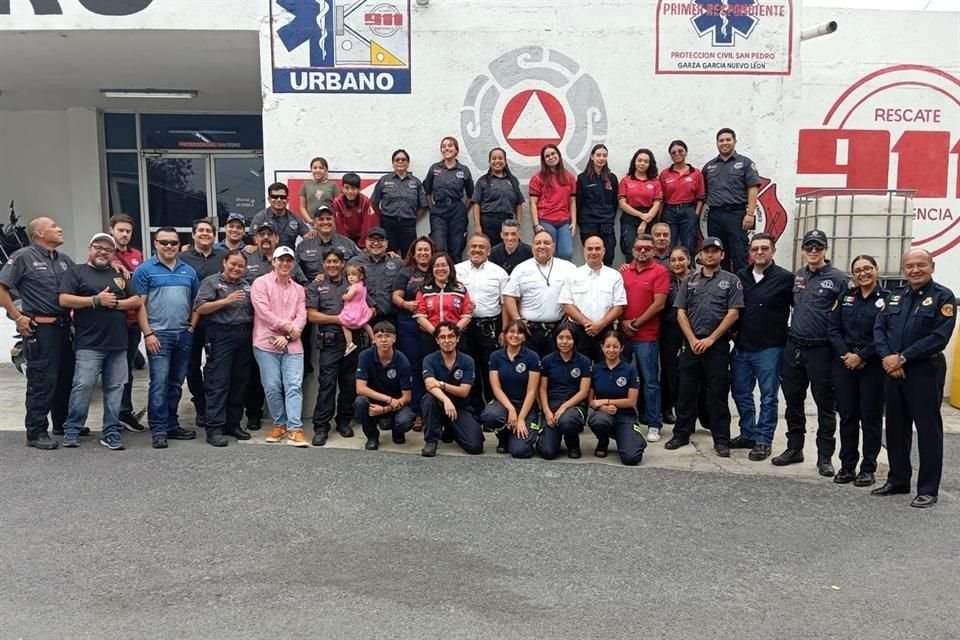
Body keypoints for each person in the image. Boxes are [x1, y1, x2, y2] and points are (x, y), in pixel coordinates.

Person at [873, 249, 956, 508]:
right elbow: (880, 328)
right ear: (903, 268)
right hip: (892, 369)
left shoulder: (943, 297)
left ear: (931, 266)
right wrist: (888, 358)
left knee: (928, 429)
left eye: (921, 265)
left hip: (924, 371)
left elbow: (938, 337)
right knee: (896, 428)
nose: (915, 270)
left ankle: (928, 488)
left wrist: (904, 357)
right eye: (910, 266)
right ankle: (898, 480)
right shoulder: (895, 295)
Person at [57, 233, 141, 449]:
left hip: (118, 343)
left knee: (115, 388)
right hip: (89, 343)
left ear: (113, 253)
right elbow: (64, 299)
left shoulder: (118, 274)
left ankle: (111, 431)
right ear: (90, 248)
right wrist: (96, 300)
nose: (103, 251)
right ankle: (73, 429)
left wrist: (115, 304)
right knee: (83, 386)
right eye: (98, 247)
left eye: (108, 249)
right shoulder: (76, 272)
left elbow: (136, 300)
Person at [0, 217, 76, 449]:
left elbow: (81, 280)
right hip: (40, 329)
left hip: (64, 327)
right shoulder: (23, 257)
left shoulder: (64, 260)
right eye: (54, 226)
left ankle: (61, 423)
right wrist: (17, 316)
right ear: (39, 233)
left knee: (66, 377)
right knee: (42, 379)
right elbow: (2, 287)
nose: (59, 228)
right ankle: (36, 431)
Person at [774, 229, 846, 476]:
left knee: (825, 404)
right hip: (795, 347)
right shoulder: (798, 276)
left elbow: (846, 314)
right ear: (803, 250)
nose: (813, 251)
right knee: (793, 402)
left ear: (825, 250)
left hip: (822, 350)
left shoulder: (838, 279)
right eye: (809, 247)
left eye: (818, 247)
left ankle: (825, 456)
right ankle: (795, 448)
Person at [665, 237, 743, 457]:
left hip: (717, 345)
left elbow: (734, 312)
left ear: (722, 255)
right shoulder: (690, 280)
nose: (710, 255)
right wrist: (691, 339)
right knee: (686, 392)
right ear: (700, 256)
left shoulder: (732, 280)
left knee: (717, 393)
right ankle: (681, 433)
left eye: (714, 252)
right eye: (706, 251)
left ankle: (721, 440)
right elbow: (680, 311)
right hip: (691, 344)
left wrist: (711, 339)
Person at [132, 227, 200, 449]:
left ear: (179, 245)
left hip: (183, 334)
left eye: (173, 242)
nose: (169, 246)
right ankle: (159, 429)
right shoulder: (145, 270)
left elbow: (196, 302)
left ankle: (171, 424)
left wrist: (191, 327)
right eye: (164, 242)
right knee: (159, 383)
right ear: (156, 244)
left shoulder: (188, 271)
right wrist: (148, 333)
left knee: (176, 383)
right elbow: (139, 305)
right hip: (158, 336)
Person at [731, 233, 794, 462]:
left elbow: (799, 308)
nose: (759, 252)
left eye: (764, 248)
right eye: (755, 248)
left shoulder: (786, 278)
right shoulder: (740, 277)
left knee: (768, 397)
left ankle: (763, 440)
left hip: (771, 348)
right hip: (742, 346)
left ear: (773, 251)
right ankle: (747, 433)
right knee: (740, 393)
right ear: (750, 252)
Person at [827, 255, 888, 485]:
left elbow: (886, 333)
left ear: (876, 270)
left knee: (870, 417)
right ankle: (847, 465)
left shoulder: (888, 299)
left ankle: (868, 468)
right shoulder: (846, 297)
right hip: (845, 363)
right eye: (858, 270)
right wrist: (847, 355)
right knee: (848, 416)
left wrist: (861, 356)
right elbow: (833, 328)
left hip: (872, 365)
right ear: (853, 275)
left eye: (868, 268)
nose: (863, 273)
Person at [306, 248, 370, 445]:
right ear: (323, 264)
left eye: (336, 261)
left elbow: (372, 307)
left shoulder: (354, 282)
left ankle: (344, 421)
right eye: (329, 261)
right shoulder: (316, 286)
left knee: (349, 383)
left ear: (343, 264)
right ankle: (321, 426)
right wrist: (340, 319)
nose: (332, 265)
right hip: (329, 341)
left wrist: (359, 319)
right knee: (327, 384)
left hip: (354, 341)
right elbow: (312, 315)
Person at [193, 250, 255, 447]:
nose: (236, 268)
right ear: (224, 263)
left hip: (243, 335)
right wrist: (225, 301)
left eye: (240, 266)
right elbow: (200, 308)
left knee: (239, 382)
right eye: (233, 264)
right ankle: (214, 428)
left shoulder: (246, 286)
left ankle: (233, 424)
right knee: (218, 382)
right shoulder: (212, 282)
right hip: (220, 336)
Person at [251, 245, 309, 448]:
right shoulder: (260, 284)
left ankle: (295, 429)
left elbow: (302, 316)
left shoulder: (299, 289)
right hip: (266, 344)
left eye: (288, 260)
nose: (284, 264)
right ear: (273, 261)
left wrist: (288, 335)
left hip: (292, 345)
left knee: (294, 386)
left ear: (293, 264)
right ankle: (280, 423)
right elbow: (263, 312)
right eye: (281, 260)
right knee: (272, 386)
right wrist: (288, 329)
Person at [620, 234, 670, 442]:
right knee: (621, 379)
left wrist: (636, 323)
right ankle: (623, 420)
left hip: (646, 336)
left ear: (653, 251)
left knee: (650, 381)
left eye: (647, 248)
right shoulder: (623, 272)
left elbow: (659, 304)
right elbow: (617, 300)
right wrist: (624, 322)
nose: (643, 251)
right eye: (639, 248)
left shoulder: (660, 271)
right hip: (623, 335)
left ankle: (654, 424)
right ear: (633, 250)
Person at [180, 218, 227, 429]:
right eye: (201, 230)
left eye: (209, 231)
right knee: (191, 366)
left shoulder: (223, 257)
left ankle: (213, 406)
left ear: (214, 235)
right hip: (189, 321)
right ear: (193, 234)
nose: (205, 234)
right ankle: (200, 404)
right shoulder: (182, 258)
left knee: (214, 367)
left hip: (218, 321)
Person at [456, 233, 509, 413]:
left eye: (481, 247)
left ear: (488, 251)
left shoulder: (499, 273)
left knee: (490, 369)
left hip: (490, 327)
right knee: (469, 368)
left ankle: (493, 409)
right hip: (464, 328)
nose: (476, 250)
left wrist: (504, 330)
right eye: (473, 246)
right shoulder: (456, 271)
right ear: (468, 249)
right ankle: (475, 409)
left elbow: (505, 304)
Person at [502, 230, 577, 356]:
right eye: (538, 243)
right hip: (529, 331)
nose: (542, 246)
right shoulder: (521, 269)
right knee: (531, 370)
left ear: (553, 246)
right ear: (532, 246)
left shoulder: (568, 268)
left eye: (546, 243)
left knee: (554, 370)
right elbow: (509, 296)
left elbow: (577, 295)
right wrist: (517, 319)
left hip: (558, 331)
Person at [420, 322, 484, 457]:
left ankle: (451, 428)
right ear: (437, 340)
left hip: (460, 406)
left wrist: (442, 384)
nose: (447, 341)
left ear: (458, 338)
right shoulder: (429, 359)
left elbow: (464, 391)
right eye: (442, 337)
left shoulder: (467, 361)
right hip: (438, 404)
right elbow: (429, 385)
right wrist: (446, 400)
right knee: (429, 399)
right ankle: (431, 441)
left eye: (451, 336)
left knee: (475, 446)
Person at [558, 235, 627, 361]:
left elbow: (619, 306)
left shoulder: (615, 276)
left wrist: (601, 325)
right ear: (584, 251)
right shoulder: (573, 275)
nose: (593, 252)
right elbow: (567, 304)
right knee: (580, 371)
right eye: (590, 249)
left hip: (606, 332)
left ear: (604, 251)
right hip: (579, 332)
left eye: (597, 249)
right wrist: (587, 323)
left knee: (605, 370)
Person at [391, 236, 436, 424]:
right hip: (409, 325)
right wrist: (405, 304)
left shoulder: (438, 270)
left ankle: (433, 410)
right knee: (415, 367)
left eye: (427, 250)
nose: (423, 253)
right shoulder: (405, 272)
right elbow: (395, 296)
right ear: (414, 253)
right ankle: (418, 411)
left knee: (432, 367)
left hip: (432, 327)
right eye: (420, 250)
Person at [481, 320, 542, 458]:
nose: (515, 335)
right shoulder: (495, 356)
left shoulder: (532, 357)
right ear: (505, 334)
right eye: (511, 332)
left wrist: (520, 418)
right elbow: (496, 387)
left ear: (525, 337)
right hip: (503, 404)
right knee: (490, 416)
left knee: (520, 451)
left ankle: (522, 436)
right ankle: (503, 438)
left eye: (520, 332)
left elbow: (532, 391)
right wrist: (511, 409)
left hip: (525, 405)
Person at [703, 128, 761, 273]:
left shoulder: (745, 163)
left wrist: (750, 214)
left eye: (728, 140)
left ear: (735, 141)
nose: (724, 143)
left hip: (737, 214)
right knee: (717, 254)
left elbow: (753, 188)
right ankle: (721, 290)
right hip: (715, 215)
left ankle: (742, 290)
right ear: (717, 143)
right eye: (721, 140)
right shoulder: (709, 166)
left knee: (739, 253)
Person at [109, 213, 147, 433]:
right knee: (112, 370)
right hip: (112, 323)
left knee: (127, 370)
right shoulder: (104, 253)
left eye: (128, 231)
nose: (124, 234)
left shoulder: (136, 255)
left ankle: (124, 412)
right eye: (121, 230)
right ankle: (112, 416)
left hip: (133, 321)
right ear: (111, 229)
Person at [354, 321, 415, 450]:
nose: (384, 340)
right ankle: (372, 437)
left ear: (394, 339)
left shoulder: (402, 359)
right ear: (374, 339)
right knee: (360, 402)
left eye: (387, 336)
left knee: (405, 421)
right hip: (376, 401)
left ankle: (397, 431)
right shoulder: (365, 356)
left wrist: (385, 408)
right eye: (379, 336)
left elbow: (407, 397)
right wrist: (387, 400)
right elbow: (360, 389)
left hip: (397, 404)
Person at [588, 330, 645, 466]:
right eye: (607, 346)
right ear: (602, 347)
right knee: (598, 420)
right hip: (603, 415)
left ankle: (631, 438)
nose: (611, 350)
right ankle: (603, 442)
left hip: (625, 416)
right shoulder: (595, 369)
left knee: (632, 458)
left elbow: (631, 401)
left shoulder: (630, 370)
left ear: (622, 348)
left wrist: (607, 401)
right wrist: (602, 407)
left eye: (615, 346)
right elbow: (590, 400)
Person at [537, 323, 592, 459]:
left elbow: (584, 392)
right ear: (555, 339)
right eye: (561, 337)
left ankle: (573, 444)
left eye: (569, 338)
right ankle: (546, 438)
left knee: (567, 421)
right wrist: (547, 411)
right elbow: (542, 389)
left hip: (574, 406)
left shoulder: (584, 362)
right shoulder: (547, 360)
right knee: (547, 452)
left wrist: (564, 407)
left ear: (575, 340)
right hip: (551, 405)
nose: (564, 341)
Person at [414, 252, 474, 357]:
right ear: (431, 269)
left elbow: (467, 315)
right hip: (431, 338)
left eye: (444, 265)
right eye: (436, 266)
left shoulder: (460, 289)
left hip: (456, 338)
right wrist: (437, 334)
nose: (440, 269)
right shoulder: (423, 290)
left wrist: (453, 333)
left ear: (450, 267)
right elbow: (420, 317)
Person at [424, 136, 474, 260]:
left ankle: (455, 278)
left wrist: (463, 210)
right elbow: (426, 192)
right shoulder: (435, 168)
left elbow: (471, 194)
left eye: (450, 145)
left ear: (456, 150)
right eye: (444, 146)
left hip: (457, 211)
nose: (446, 148)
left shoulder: (464, 170)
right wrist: (433, 209)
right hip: (438, 211)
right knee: (439, 247)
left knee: (456, 248)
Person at [372, 148, 427, 257]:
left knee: (409, 256)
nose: (400, 162)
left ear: (408, 163)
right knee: (388, 256)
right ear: (393, 163)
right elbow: (374, 202)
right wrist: (383, 217)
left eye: (403, 159)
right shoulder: (384, 180)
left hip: (408, 225)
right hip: (388, 224)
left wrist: (414, 218)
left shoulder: (415, 182)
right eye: (397, 160)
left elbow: (423, 205)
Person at [529, 144, 577, 261]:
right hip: (546, 221)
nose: (551, 157)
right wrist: (536, 225)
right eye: (547, 156)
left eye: (553, 154)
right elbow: (533, 203)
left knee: (566, 253)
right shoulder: (538, 178)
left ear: (559, 156)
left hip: (564, 223)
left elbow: (572, 202)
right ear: (544, 160)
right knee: (549, 255)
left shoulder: (569, 177)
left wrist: (574, 222)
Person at [349, 226, 403, 326]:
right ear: (366, 242)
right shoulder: (355, 263)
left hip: (390, 319)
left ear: (386, 244)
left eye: (380, 240)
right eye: (372, 240)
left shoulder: (397, 263)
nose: (376, 243)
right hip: (362, 320)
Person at [659, 246, 689, 426]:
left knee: (688, 373)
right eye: (673, 260)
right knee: (669, 371)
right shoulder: (666, 279)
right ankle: (667, 408)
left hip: (692, 331)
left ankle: (686, 410)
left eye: (681, 259)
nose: (677, 263)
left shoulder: (696, 278)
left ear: (688, 260)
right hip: (669, 330)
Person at [659, 140, 705, 256]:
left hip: (688, 210)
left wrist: (696, 214)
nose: (677, 154)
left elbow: (700, 197)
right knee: (669, 244)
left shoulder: (696, 173)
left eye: (680, 151)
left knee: (689, 244)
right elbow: (661, 198)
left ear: (686, 152)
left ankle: (689, 271)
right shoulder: (665, 174)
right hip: (669, 212)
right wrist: (659, 217)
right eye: (673, 152)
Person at [576, 144, 619, 265]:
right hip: (588, 224)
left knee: (609, 256)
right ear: (592, 157)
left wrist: (609, 219)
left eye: (604, 155)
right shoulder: (582, 178)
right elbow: (578, 203)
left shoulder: (612, 178)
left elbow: (615, 202)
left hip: (607, 224)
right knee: (592, 258)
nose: (601, 158)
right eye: (598, 155)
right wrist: (583, 222)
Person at [618, 148, 663, 261]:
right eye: (640, 160)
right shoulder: (626, 180)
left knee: (649, 249)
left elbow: (657, 204)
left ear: (650, 164)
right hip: (630, 217)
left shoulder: (655, 182)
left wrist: (644, 221)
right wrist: (640, 215)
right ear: (634, 162)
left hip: (649, 217)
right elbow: (622, 204)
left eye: (646, 161)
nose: (642, 163)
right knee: (630, 248)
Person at [471, 147, 524, 241]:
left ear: (505, 161)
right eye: (494, 158)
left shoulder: (513, 181)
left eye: (500, 158)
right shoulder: (482, 181)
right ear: (489, 161)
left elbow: (518, 203)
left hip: (508, 224)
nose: (497, 161)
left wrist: (518, 224)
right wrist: (477, 226)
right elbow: (476, 204)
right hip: (488, 223)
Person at [296, 205, 359, 281]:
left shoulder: (348, 244)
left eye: (328, 219)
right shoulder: (303, 246)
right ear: (315, 223)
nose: (325, 222)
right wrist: (306, 285)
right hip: (313, 290)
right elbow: (294, 269)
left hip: (343, 290)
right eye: (321, 219)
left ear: (334, 221)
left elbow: (362, 263)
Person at [251, 182, 310, 250]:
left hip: (288, 258)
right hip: (267, 257)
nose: (279, 200)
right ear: (269, 199)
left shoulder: (295, 218)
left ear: (287, 200)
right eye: (275, 197)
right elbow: (253, 241)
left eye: (282, 197)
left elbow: (308, 238)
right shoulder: (260, 218)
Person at [332, 172, 379, 249]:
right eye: (347, 188)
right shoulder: (337, 202)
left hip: (361, 235)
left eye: (353, 188)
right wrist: (345, 242)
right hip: (346, 235)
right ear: (342, 188)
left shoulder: (365, 201)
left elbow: (367, 224)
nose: (350, 192)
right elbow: (339, 225)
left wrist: (363, 243)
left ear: (359, 189)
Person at [340, 263, 375, 355]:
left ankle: (349, 343)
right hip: (362, 308)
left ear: (361, 276)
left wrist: (344, 296)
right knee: (365, 324)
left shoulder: (354, 287)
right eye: (349, 275)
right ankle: (373, 338)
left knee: (344, 323)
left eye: (354, 275)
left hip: (353, 309)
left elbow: (349, 297)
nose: (350, 277)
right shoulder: (362, 285)